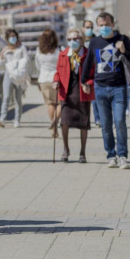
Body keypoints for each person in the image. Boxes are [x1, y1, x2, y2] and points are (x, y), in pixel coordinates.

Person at [81, 12, 130, 169]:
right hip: (100, 87)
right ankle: (111, 155)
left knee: (120, 121)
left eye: (107, 24)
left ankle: (122, 155)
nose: (104, 27)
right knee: (106, 125)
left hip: (119, 87)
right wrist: (83, 81)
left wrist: (124, 50)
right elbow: (87, 63)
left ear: (113, 24)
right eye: (101, 25)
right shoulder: (94, 42)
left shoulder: (123, 39)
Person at [53, 29, 94, 163]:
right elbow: (58, 71)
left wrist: (88, 83)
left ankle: (83, 152)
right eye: (70, 39)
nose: (73, 41)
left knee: (83, 123)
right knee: (64, 122)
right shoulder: (63, 54)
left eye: (76, 38)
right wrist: (55, 80)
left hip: (82, 91)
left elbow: (93, 74)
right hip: (66, 92)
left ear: (81, 40)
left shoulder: (88, 54)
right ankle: (66, 149)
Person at [1, 29, 29, 128]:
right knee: (6, 97)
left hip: (19, 75)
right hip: (8, 75)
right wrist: (1, 55)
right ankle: (2, 119)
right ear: (7, 38)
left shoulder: (22, 48)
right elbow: (1, 65)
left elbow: (26, 59)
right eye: (10, 36)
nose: (13, 38)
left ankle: (17, 120)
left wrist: (18, 67)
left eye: (14, 36)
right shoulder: (5, 49)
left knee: (18, 99)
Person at [35, 29, 59, 136]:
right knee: (60, 103)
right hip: (56, 79)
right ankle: (56, 121)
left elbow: (37, 65)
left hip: (43, 79)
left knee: (50, 103)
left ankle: (53, 125)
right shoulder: (58, 50)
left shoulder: (39, 51)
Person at [82, 19, 100, 127]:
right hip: (83, 72)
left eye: (91, 27)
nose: (90, 29)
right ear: (83, 28)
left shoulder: (96, 40)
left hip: (95, 71)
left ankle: (98, 119)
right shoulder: (79, 40)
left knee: (95, 98)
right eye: (87, 27)